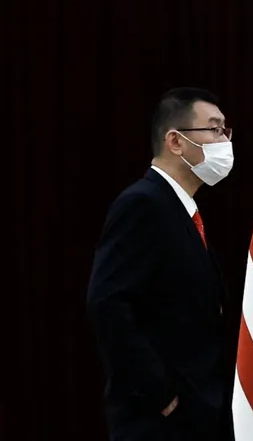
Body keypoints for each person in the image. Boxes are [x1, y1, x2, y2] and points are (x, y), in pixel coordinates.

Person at [86, 87, 235, 440]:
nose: (224, 141)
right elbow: (108, 303)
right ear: (176, 141)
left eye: (226, 130)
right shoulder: (143, 204)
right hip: (161, 421)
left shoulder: (184, 209)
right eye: (214, 129)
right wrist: (159, 392)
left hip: (201, 412)